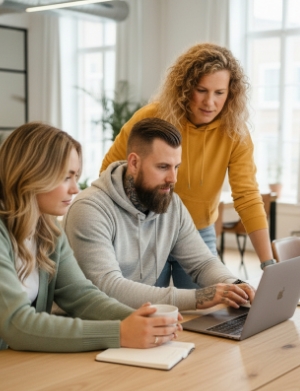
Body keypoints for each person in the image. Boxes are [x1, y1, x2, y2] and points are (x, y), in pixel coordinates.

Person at [100, 43, 275, 289]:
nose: (210, 102)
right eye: (201, 90)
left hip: (198, 232)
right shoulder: (151, 117)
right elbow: (110, 172)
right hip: (148, 231)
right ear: (184, 88)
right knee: (148, 311)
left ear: (231, 93)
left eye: (219, 92)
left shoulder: (236, 132)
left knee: (204, 313)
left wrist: (268, 263)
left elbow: (247, 196)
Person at [0, 122, 181, 352]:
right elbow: (17, 325)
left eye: (76, 176)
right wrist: (120, 333)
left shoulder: (48, 233)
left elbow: (81, 296)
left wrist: (142, 320)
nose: (75, 189)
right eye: (66, 177)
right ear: (31, 176)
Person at [64, 118, 255, 311]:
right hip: (96, 327)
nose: (173, 179)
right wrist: (200, 297)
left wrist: (235, 285)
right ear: (134, 163)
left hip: (145, 322)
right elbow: (108, 287)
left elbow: (203, 263)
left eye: (176, 167)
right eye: (163, 167)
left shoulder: (171, 204)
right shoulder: (89, 209)